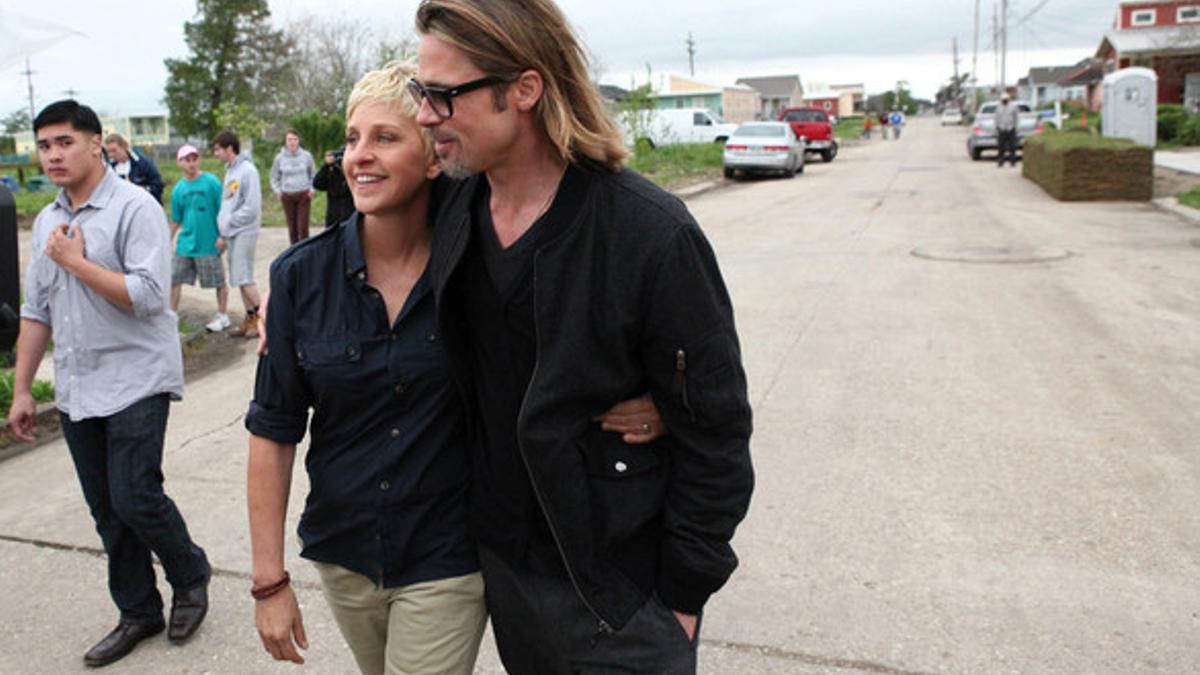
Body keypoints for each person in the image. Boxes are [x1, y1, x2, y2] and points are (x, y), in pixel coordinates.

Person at [245, 63, 664, 674]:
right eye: (352, 138)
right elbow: (273, 429)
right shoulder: (300, 278)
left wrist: (651, 400)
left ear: (435, 157)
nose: (359, 156)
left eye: (385, 138)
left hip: (448, 552)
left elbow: (559, 352)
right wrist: (268, 582)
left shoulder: (478, 268)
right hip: (344, 552)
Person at [412, 0, 755, 671]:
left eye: (443, 95)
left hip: (621, 595)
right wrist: (300, 281)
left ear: (525, 89)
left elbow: (717, 433)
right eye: (419, 93)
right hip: (508, 571)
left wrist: (678, 601)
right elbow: (372, 218)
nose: (425, 114)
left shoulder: (651, 234)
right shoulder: (455, 207)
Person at [8, 100, 210, 668]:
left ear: (97, 144)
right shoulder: (47, 220)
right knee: (105, 508)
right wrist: (24, 390)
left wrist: (76, 261)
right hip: (77, 385)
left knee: (135, 495)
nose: (53, 154)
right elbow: (36, 311)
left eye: (64, 142)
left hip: (136, 377)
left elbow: (147, 296)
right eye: (44, 145)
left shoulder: (134, 207)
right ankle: (138, 610)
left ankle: (190, 573)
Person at [168, 144, 230, 331]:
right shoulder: (178, 189)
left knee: (218, 281)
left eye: (194, 159)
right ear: (179, 162)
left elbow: (224, 211)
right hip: (186, 243)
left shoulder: (212, 183)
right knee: (174, 279)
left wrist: (223, 236)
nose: (191, 163)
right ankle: (171, 317)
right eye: (187, 160)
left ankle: (222, 315)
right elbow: (176, 219)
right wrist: (166, 240)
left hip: (209, 242)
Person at [211, 130, 263, 338]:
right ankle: (250, 318)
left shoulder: (247, 171)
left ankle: (266, 318)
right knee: (239, 278)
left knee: (245, 278)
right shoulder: (230, 171)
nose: (216, 154)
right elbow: (228, 203)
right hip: (232, 233)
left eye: (218, 149)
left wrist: (230, 224)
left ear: (229, 149)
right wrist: (223, 232)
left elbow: (251, 207)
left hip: (244, 230)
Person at [269, 130, 316, 244]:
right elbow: (274, 177)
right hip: (287, 196)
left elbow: (314, 175)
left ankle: (305, 252)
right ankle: (294, 253)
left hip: (303, 195)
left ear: (298, 141)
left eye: (295, 139)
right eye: (289, 139)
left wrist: (312, 190)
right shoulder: (279, 158)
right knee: (292, 228)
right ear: (286, 141)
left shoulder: (307, 156)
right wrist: (278, 191)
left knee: (303, 228)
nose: (292, 142)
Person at [104, 132, 164, 203]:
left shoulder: (143, 163)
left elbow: (158, 185)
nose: (111, 155)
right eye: (108, 152)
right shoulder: (109, 168)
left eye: (114, 151)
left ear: (124, 147)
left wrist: (143, 189)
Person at [312, 145, 355, 227]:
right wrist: (326, 166)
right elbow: (317, 184)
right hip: (334, 218)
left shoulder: (355, 174)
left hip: (351, 218)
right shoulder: (332, 172)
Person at [995, 96, 1020, 167]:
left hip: (1011, 129)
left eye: (1005, 100)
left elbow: (1016, 118)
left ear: (1008, 100)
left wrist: (1016, 127)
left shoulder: (1013, 107)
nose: (1004, 101)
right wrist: (996, 128)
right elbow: (996, 118)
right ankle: (1001, 162)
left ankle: (1013, 162)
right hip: (1002, 129)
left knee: (1012, 147)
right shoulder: (998, 108)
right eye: (1003, 100)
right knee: (1001, 147)